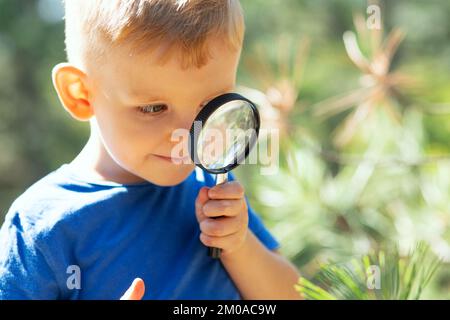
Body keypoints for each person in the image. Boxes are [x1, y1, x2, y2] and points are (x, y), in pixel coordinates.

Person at [0, 0, 300, 299]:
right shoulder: (41, 225)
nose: (188, 135)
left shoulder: (211, 190)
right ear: (80, 94)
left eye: (208, 105)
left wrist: (239, 247)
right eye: (154, 108)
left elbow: (294, 296)